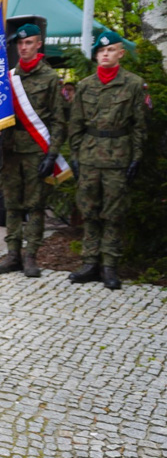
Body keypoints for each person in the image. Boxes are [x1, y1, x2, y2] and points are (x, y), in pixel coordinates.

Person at [67, 31, 145, 290]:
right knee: (89, 211)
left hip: (118, 156)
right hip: (89, 156)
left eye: (110, 50)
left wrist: (136, 158)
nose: (105, 54)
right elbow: (75, 123)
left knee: (113, 213)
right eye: (101, 51)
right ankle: (90, 262)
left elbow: (139, 126)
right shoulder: (85, 85)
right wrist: (75, 156)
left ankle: (109, 265)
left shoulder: (133, 84)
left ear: (121, 53)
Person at [0, 24, 66, 278]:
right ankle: (13, 254)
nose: (23, 47)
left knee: (34, 206)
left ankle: (31, 255)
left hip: (36, 149)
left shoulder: (50, 78)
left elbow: (58, 120)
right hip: (10, 149)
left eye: (29, 43)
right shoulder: (8, 77)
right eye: (20, 44)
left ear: (39, 44)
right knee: (11, 205)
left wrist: (53, 154)